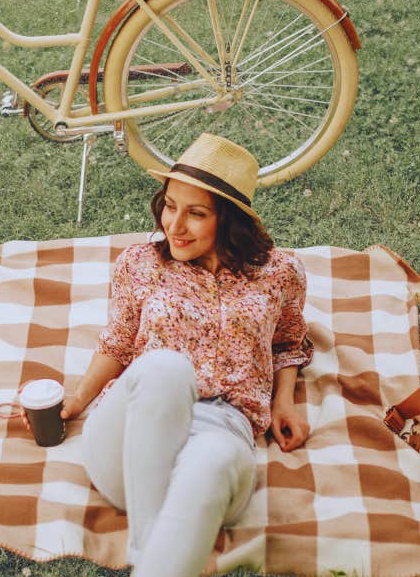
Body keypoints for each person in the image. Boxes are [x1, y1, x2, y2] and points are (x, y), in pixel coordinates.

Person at [64, 133, 313, 576]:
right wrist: (78, 398)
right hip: (132, 438)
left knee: (214, 458)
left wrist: (283, 401)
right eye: (170, 205)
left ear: (230, 221)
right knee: (166, 368)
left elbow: (287, 343)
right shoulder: (140, 264)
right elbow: (119, 342)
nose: (174, 225)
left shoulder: (280, 274)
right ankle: (148, 546)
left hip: (224, 430)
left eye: (196, 213)